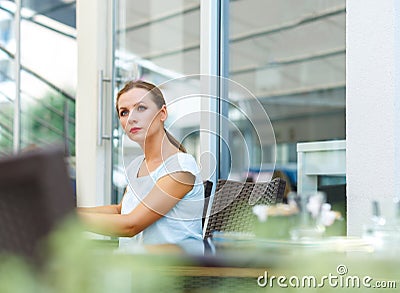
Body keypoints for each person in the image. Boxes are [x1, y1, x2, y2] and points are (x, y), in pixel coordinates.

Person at [78, 80, 204, 254]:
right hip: (137, 267)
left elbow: (131, 225)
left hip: (174, 273)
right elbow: (120, 210)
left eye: (141, 108)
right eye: (124, 112)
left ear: (163, 113)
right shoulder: (137, 165)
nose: (131, 118)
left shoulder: (180, 168)